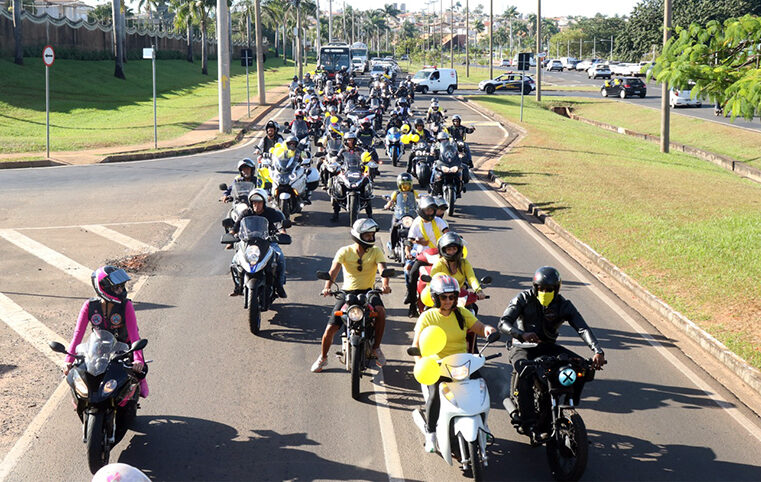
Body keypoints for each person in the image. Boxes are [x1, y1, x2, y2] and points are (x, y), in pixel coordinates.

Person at [498, 266, 606, 432]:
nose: (544, 292)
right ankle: (528, 422)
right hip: (522, 346)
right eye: (541, 289)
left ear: (557, 289)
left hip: (548, 348)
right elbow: (503, 323)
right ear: (534, 287)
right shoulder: (523, 298)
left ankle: (565, 402)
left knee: (581, 368)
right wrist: (522, 334)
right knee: (525, 371)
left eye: (549, 289)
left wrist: (597, 351)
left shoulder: (563, 305)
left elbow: (582, 328)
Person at [411, 274, 496, 452]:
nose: (448, 301)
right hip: (438, 366)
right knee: (434, 395)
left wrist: (488, 329)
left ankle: (483, 424)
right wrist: (421, 363)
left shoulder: (462, 313)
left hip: (462, 364)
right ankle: (431, 432)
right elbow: (416, 344)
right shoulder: (427, 317)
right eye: (444, 297)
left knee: (482, 388)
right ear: (435, 298)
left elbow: (478, 327)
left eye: (452, 297)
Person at [312, 218, 392, 372]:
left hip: (369, 291)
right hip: (347, 292)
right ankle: (323, 358)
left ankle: (376, 348)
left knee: (381, 312)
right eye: (367, 235)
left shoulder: (376, 251)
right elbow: (333, 272)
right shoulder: (344, 251)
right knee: (330, 328)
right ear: (358, 235)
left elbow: (383, 270)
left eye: (371, 235)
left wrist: (385, 285)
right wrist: (327, 287)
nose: (371, 238)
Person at [64, 266, 148, 397]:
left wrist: (138, 361)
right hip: (100, 347)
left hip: (124, 346)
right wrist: (68, 360)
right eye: (116, 287)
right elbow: (77, 335)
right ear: (104, 288)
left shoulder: (126, 305)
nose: (121, 290)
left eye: (122, 286)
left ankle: (142, 382)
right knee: (80, 373)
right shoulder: (89, 306)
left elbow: (134, 335)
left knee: (141, 371)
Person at [230, 189, 288, 298]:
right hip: (248, 243)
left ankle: (279, 286)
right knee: (235, 261)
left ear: (264, 202)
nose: (256, 205)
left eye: (259, 202)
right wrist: (232, 234)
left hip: (268, 242)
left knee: (280, 258)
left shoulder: (271, 213)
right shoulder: (246, 213)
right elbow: (236, 226)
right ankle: (238, 287)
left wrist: (282, 232)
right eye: (254, 202)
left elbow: (279, 225)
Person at [404, 195, 449, 317]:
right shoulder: (416, 223)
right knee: (411, 273)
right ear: (421, 210)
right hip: (423, 256)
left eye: (432, 210)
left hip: (440, 256)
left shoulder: (439, 221)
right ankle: (412, 302)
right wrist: (411, 249)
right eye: (427, 210)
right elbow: (409, 240)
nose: (430, 212)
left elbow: (447, 234)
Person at [429, 232, 485, 299]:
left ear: (459, 249)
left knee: (473, 308)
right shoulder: (439, 263)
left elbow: (471, 278)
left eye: (454, 249)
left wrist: (479, 290)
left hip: (460, 296)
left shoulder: (464, 262)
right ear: (443, 250)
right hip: (443, 298)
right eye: (449, 249)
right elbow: (432, 281)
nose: (452, 252)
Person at [384, 172, 419, 256]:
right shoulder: (396, 193)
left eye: (407, 185)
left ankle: (418, 246)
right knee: (393, 228)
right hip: (399, 214)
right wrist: (388, 205)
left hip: (411, 214)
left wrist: (422, 203)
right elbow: (391, 201)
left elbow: (418, 199)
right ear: (399, 185)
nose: (405, 187)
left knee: (418, 228)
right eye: (403, 185)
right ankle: (392, 249)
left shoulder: (414, 192)